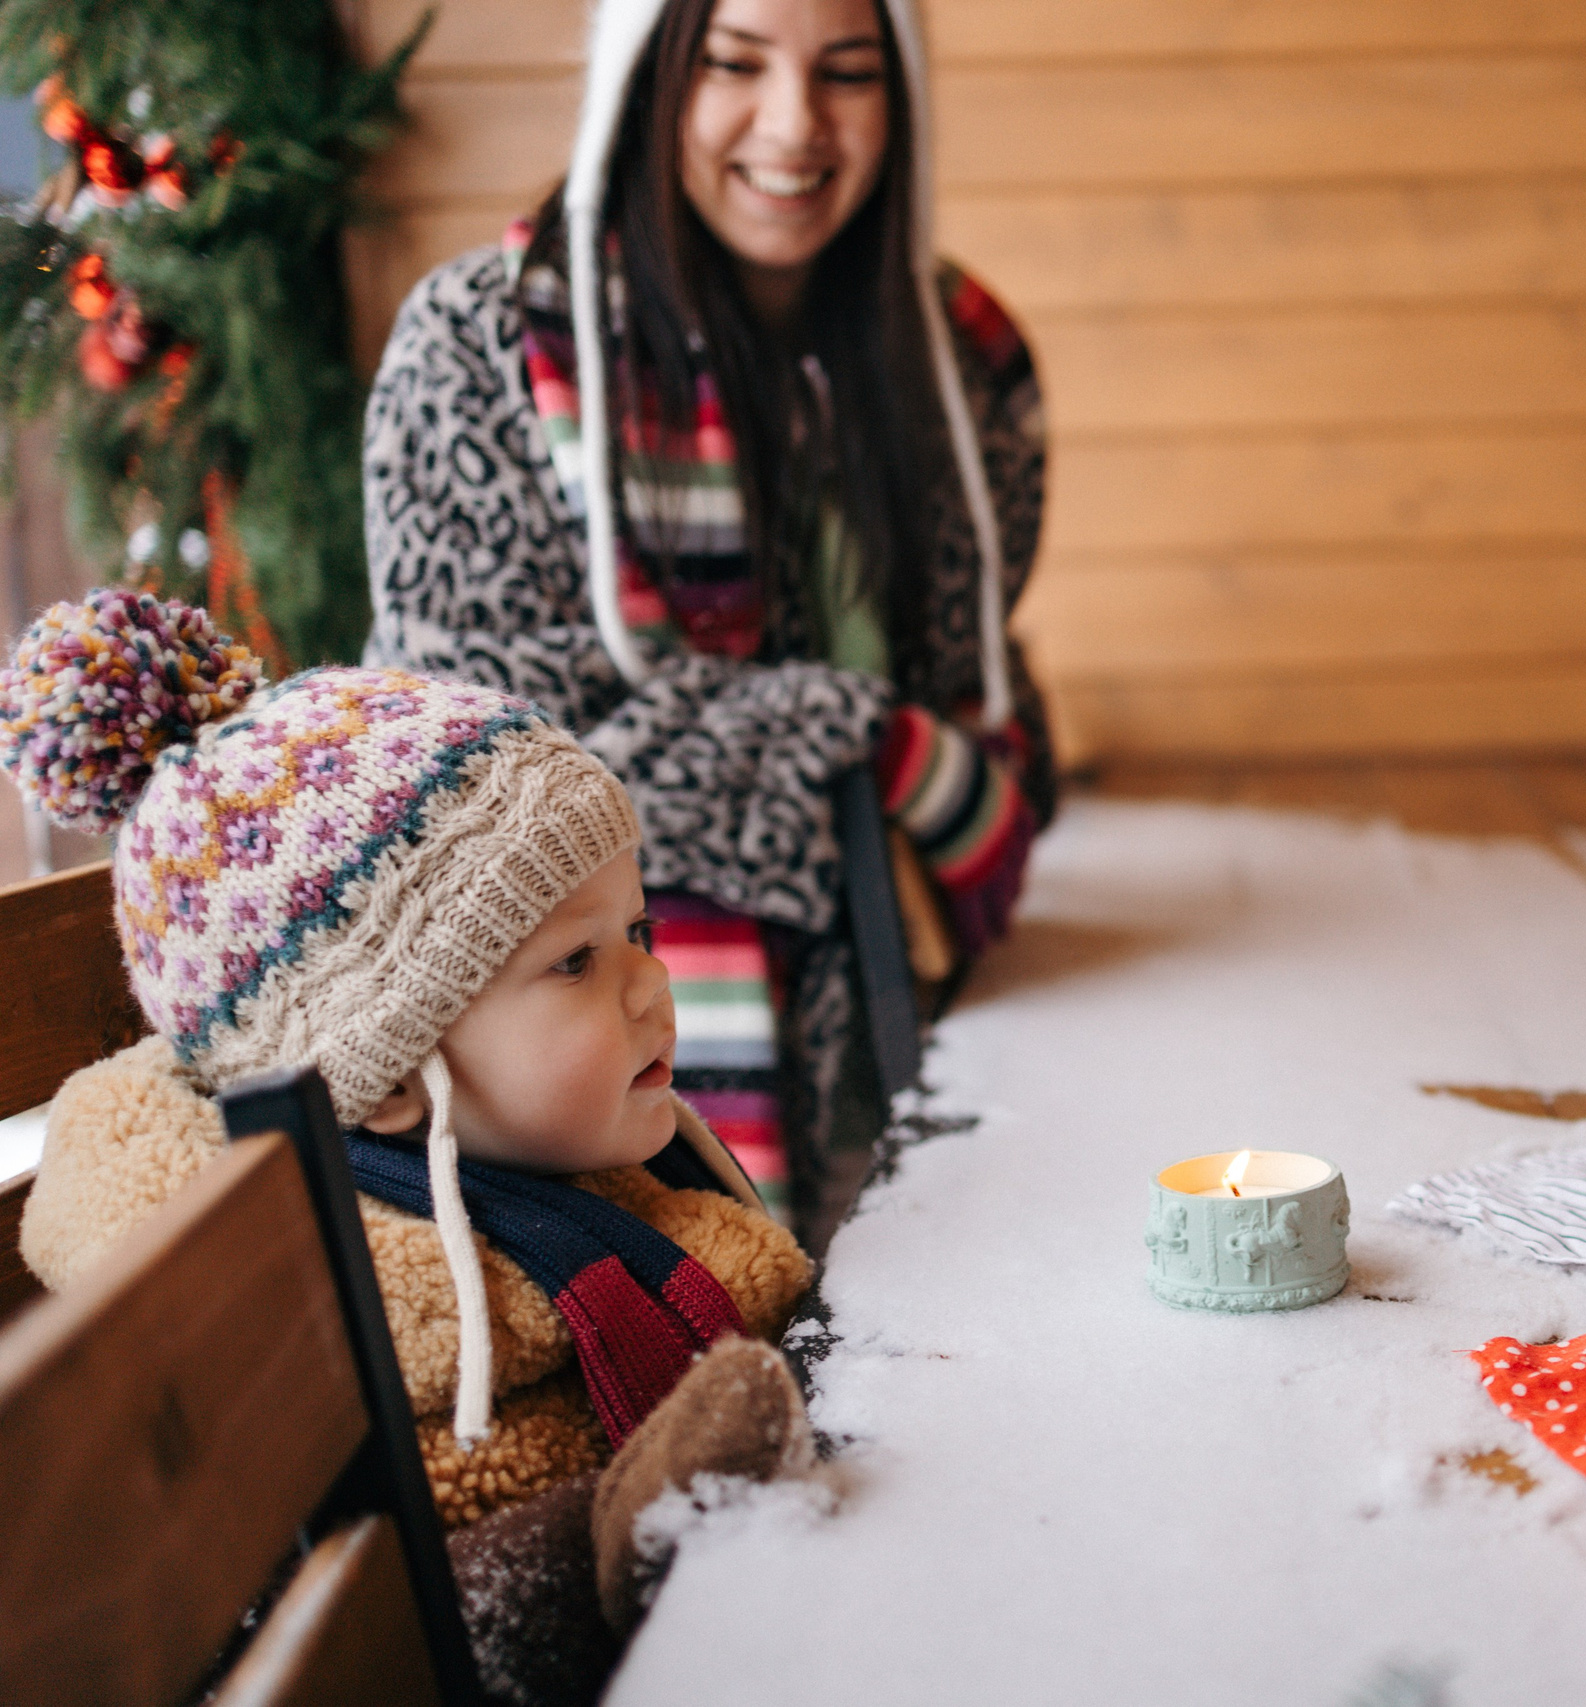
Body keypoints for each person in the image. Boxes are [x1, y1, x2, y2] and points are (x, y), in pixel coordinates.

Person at [4, 589, 822, 1705]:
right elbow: (434, 1616)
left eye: (637, 932)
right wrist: (615, 1540)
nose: (653, 986)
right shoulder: (351, 1344)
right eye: (576, 963)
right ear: (388, 1079)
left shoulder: (563, 1176)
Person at [362, 0, 1052, 1238]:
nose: (795, 125)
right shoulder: (478, 343)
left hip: (914, 998)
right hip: (562, 1089)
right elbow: (487, 776)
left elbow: (975, 685)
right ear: (646, 74)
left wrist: (890, 750)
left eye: (848, 72)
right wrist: (851, 731)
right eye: (735, 63)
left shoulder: (961, 361)